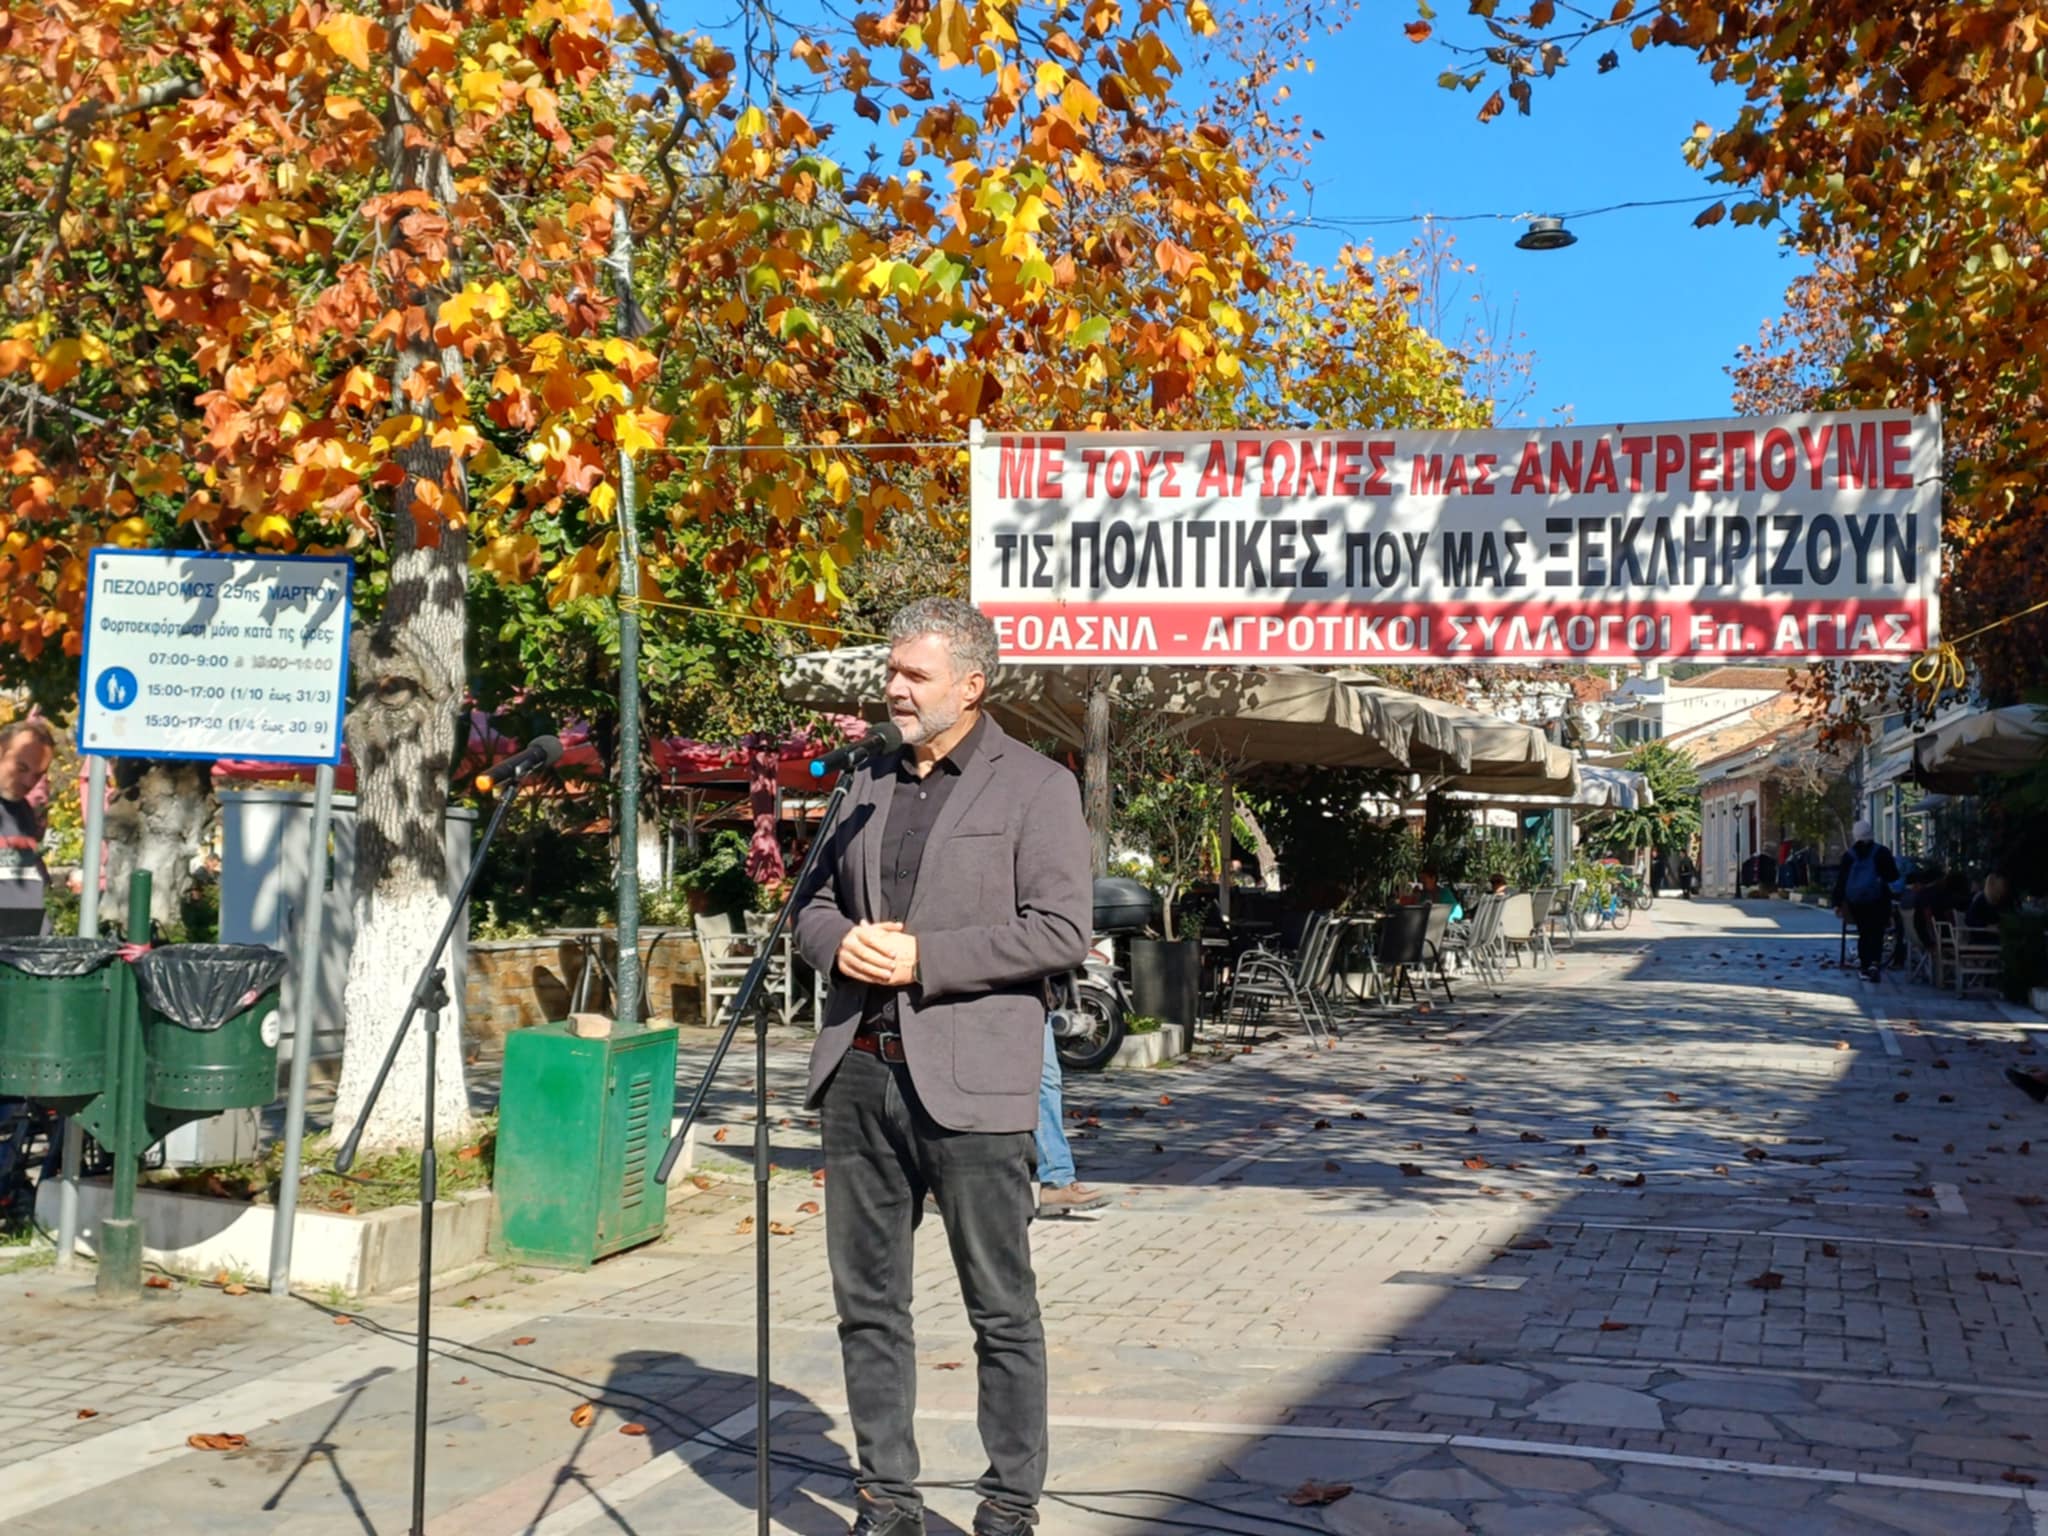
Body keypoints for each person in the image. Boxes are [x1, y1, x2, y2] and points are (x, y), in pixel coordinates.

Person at [794, 597, 1090, 1536]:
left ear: (972, 683)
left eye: (914, 675)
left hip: (972, 1087)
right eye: (890, 671)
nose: (894, 689)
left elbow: (1060, 930)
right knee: (867, 1308)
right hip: (861, 1075)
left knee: (1000, 1311)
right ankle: (888, 1503)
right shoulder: (864, 782)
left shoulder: (1037, 784)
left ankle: (1008, 1509)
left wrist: (926, 958)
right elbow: (804, 909)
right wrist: (840, 943)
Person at [1035, 1021, 1106, 1213]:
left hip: (1032, 1002)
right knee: (1042, 1080)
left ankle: (1057, 1181)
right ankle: (1056, 1180)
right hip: (1003, 1002)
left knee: (1045, 1079)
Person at [0, 718, 56, 935]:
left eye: (38, 775)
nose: (28, 782)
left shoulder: (21, 809)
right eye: (21, 767)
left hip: (25, 950)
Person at [1832, 818, 1900, 981]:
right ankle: (1874, 963)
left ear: (1855, 836)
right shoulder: (1882, 852)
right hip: (1879, 899)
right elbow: (1892, 876)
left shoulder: (1849, 856)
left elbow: (1841, 881)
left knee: (1863, 932)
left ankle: (1864, 966)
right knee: (1877, 932)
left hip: (1856, 902)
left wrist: (1837, 903)